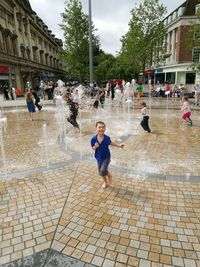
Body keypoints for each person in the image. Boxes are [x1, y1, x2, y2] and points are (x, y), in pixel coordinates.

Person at [90, 121, 124, 189]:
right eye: (99, 127)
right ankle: (106, 181)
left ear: (105, 128)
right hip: (98, 157)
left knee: (102, 171)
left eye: (103, 127)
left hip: (106, 157)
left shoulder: (107, 138)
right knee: (101, 172)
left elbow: (111, 143)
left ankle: (109, 178)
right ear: (96, 128)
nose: (101, 129)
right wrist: (95, 147)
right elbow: (93, 148)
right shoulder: (93, 139)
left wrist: (119, 145)